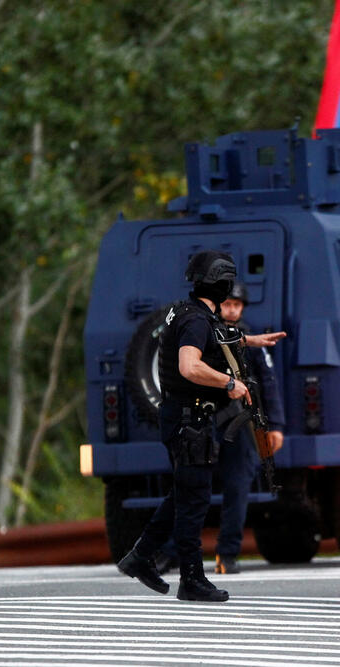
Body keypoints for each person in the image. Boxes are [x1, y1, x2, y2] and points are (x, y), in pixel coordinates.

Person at [117, 251, 285, 602]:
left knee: (184, 493)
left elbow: (216, 337)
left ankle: (140, 556)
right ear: (221, 284)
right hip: (188, 420)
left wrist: (253, 341)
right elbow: (189, 366)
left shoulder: (187, 311)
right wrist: (228, 383)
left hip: (183, 417)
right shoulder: (196, 319)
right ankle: (191, 578)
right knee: (194, 499)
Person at [214, 281, 285, 575]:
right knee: (189, 486)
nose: (231, 310)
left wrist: (275, 425)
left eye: (237, 305)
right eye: (227, 304)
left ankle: (227, 554)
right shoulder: (203, 335)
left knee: (238, 485)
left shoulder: (248, 338)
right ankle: (171, 553)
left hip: (238, 422)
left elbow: (268, 381)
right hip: (206, 419)